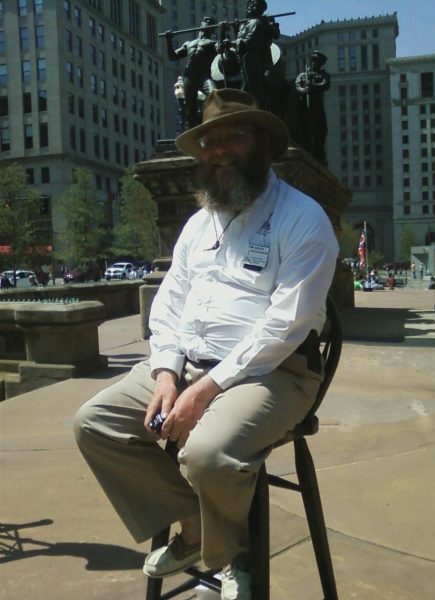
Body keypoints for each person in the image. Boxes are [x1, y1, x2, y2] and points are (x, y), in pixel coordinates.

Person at [74, 89, 338, 600]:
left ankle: (224, 558)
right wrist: (167, 374)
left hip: (275, 373)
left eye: (232, 138)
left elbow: (288, 324)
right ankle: (203, 532)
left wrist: (206, 389)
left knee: (208, 454)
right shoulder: (198, 225)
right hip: (189, 366)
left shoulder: (302, 218)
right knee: (94, 423)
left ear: (261, 143)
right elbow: (169, 308)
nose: (218, 151)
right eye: (209, 142)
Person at [164, 16, 218, 129]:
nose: (207, 22)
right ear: (201, 24)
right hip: (189, 76)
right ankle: (194, 133)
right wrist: (168, 40)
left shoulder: (213, 43)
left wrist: (223, 32)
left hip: (203, 75)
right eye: (205, 20)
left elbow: (222, 48)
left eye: (210, 22)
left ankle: (212, 119)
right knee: (190, 110)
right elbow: (172, 56)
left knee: (215, 93)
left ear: (213, 28)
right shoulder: (189, 43)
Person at [233, 0, 280, 110]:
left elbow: (275, 34)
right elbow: (241, 43)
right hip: (248, 59)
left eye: (253, 5)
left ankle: (267, 112)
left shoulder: (262, 21)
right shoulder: (247, 24)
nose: (249, 7)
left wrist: (267, 23)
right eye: (249, 5)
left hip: (262, 58)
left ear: (260, 9)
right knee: (249, 88)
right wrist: (236, 29)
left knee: (261, 88)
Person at [294, 51, 331, 164]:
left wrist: (312, 86)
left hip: (318, 107)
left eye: (318, 63)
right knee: (307, 130)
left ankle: (318, 152)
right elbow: (297, 85)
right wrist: (305, 89)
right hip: (305, 108)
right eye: (315, 62)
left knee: (322, 130)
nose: (316, 64)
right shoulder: (303, 75)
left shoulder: (324, 75)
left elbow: (325, 85)